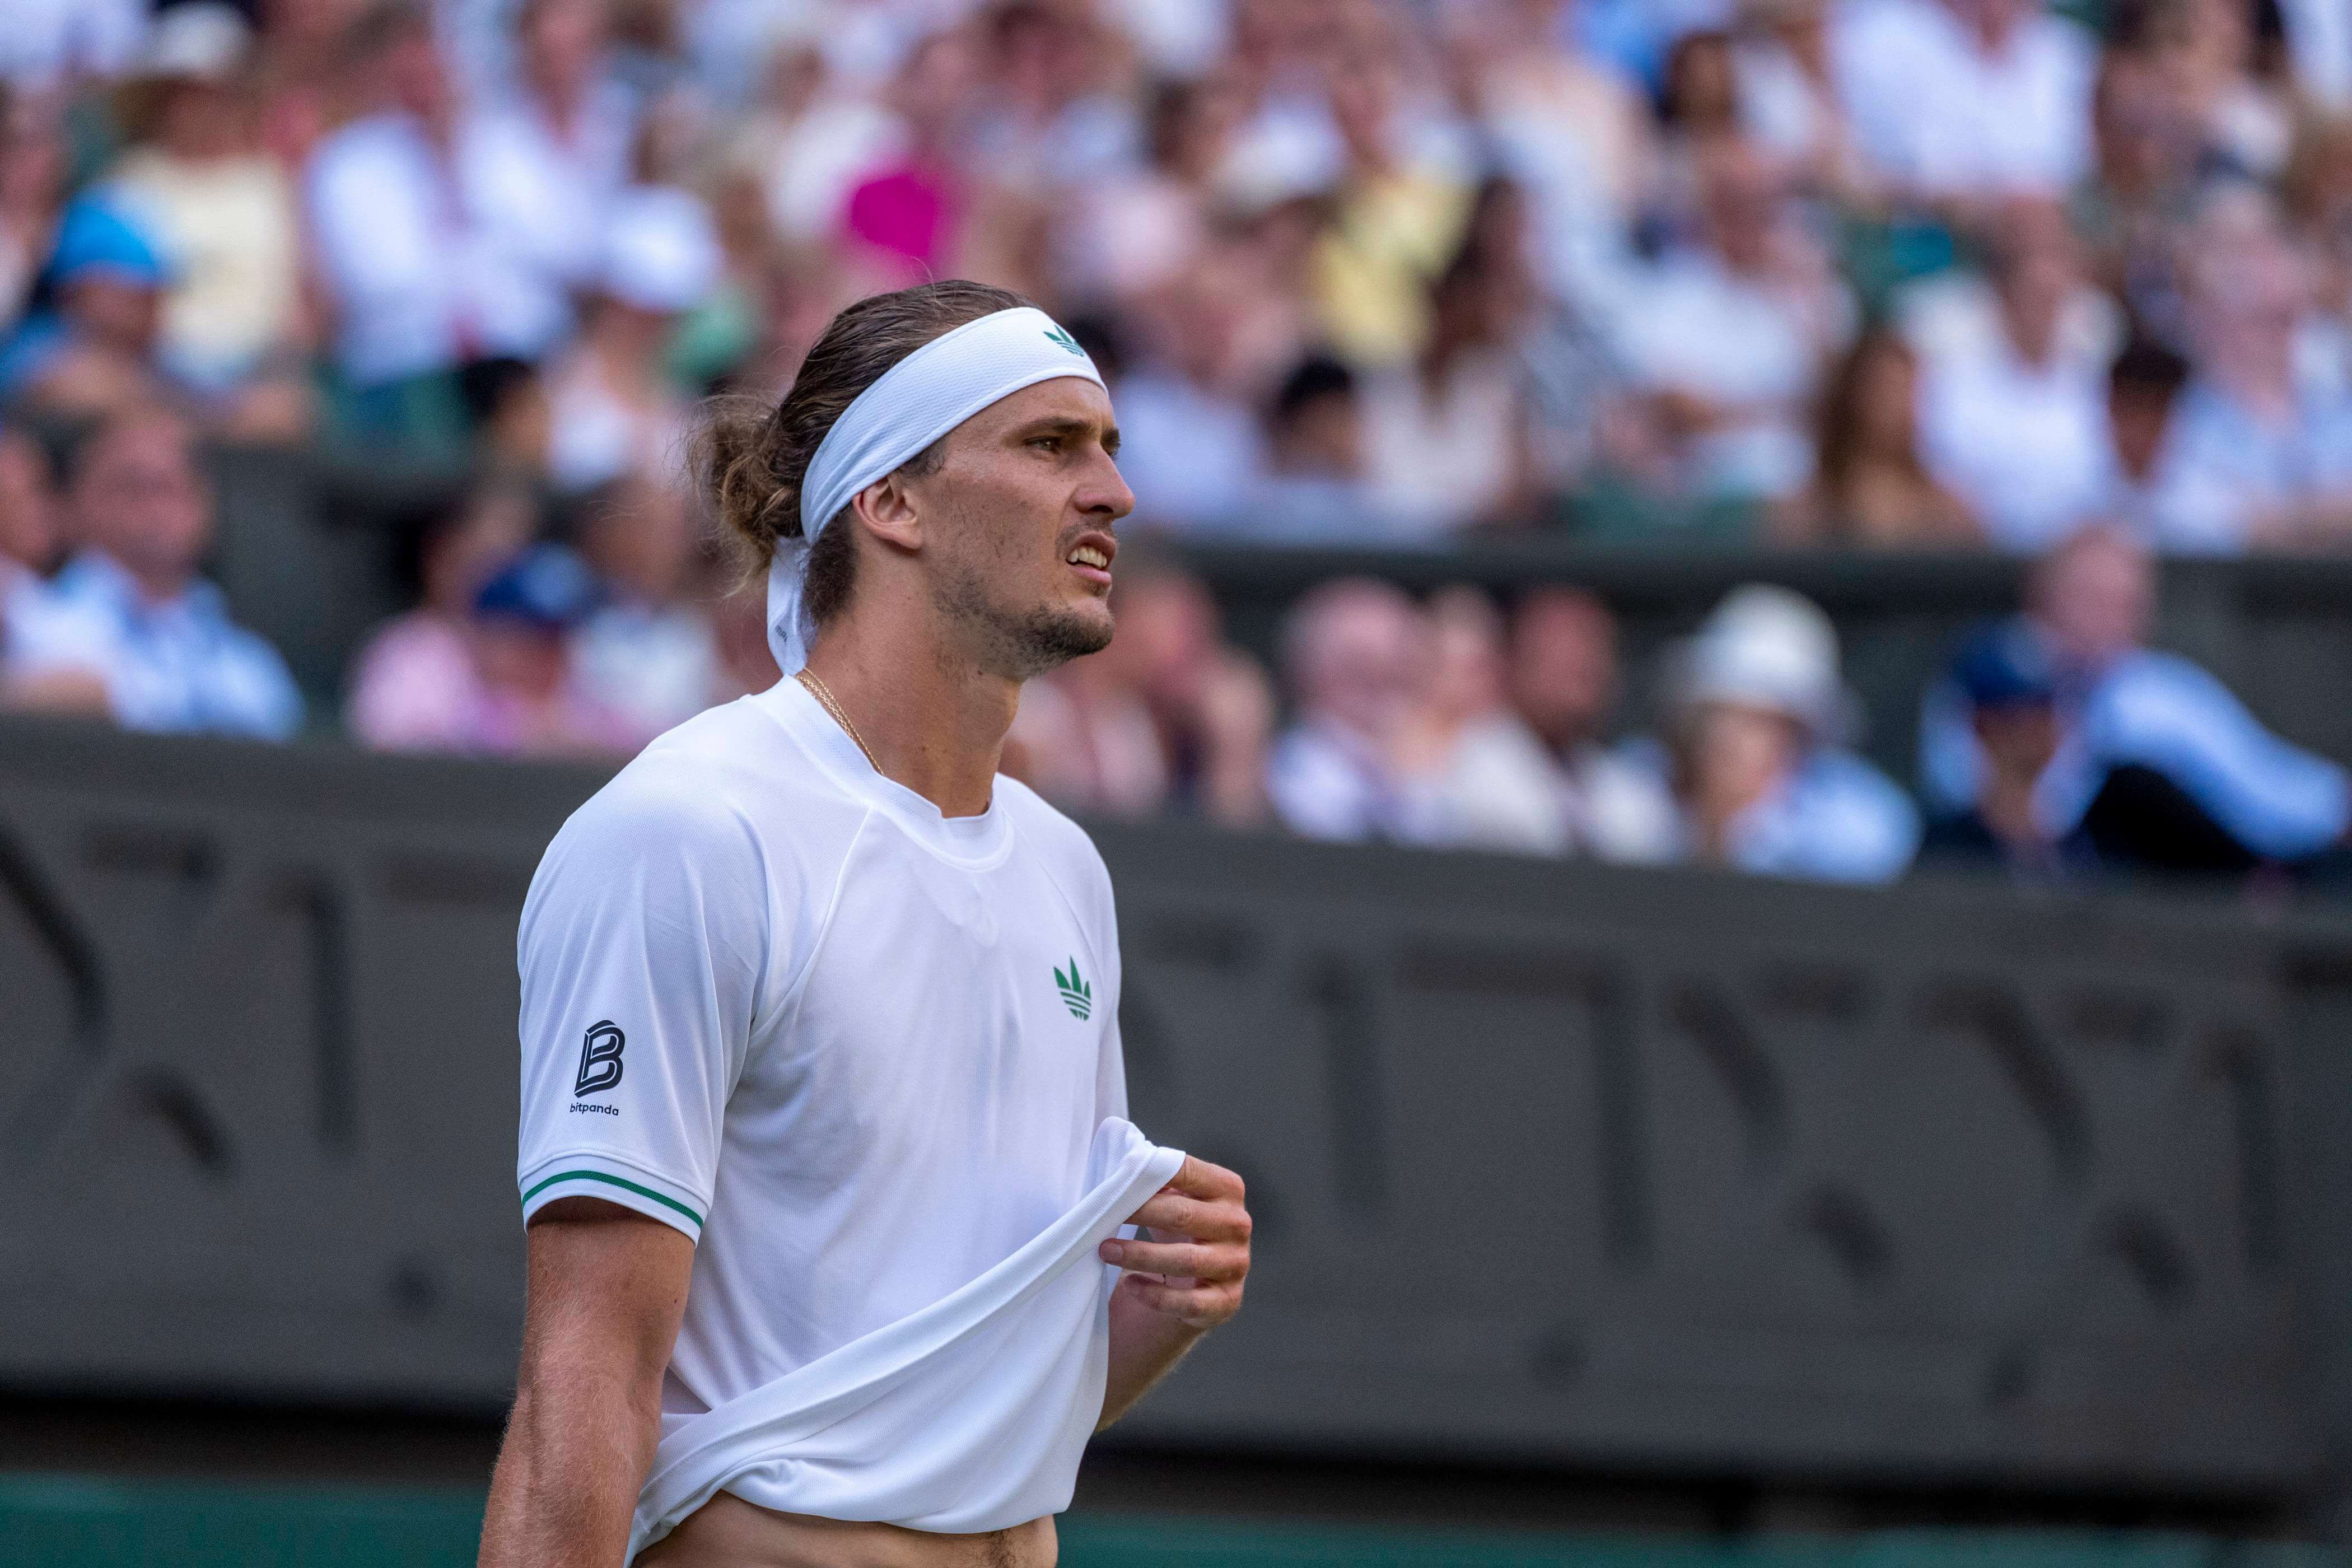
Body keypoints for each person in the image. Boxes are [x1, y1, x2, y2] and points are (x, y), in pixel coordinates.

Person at [480, 282, 1251, 1568]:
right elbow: (583, 1388)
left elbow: (934, 1427)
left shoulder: (1066, 871)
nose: (1113, 492)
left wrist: (1154, 1310)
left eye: (1110, 448)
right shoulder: (689, 831)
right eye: (1052, 446)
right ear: (891, 502)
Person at [1922, 525, 2350, 878]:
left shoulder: (2161, 689)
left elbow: (2267, 780)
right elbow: (1970, 793)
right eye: (2092, 598)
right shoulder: (1992, 672)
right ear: (2042, 596)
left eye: (2127, 604)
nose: (2110, 620)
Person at [46, 404, 302, 739]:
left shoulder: (251, 664)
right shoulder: (30, 621)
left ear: (205, 510)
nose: (155, 508)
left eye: (172, 488)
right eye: (132, 486)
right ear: (75, 504)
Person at [1636, 584, 1920, 881]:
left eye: (1776, 725)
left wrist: (1744, 833)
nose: (1740, 744)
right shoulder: (1637, 788)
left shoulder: (1853, 820)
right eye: (1737, 717)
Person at [346, 479, 536, 752]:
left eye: (514, 558)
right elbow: (398, 766)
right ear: (440, 556)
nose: (501, 574)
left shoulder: (548, 649)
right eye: (489, 556)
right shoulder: (404, 652)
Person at [1506, 586, 1680, 861]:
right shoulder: (1471, 762)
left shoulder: (1628, 789)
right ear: (1517, 661)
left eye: (1591, 652)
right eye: (1558, 657)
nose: (1580, 662)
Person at [1914, 620, 2095, 879]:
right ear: (1982, 724)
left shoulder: (2087, 844)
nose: (2043, 726)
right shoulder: (1947, 850)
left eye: (2047, 709)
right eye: (2020, 715)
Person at [1264, 576, 1435, 843]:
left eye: (1397, 665)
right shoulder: (1280, 776)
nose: (1378, 681)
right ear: (1305, 672)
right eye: (1357, 666)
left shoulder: (1454, 762)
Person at [1776, 325, 1980, 547]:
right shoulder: (1806, 511)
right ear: (1853, 396)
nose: (1904, 407)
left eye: (1913, 392)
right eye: (1890, 390)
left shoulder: (1950, 512)